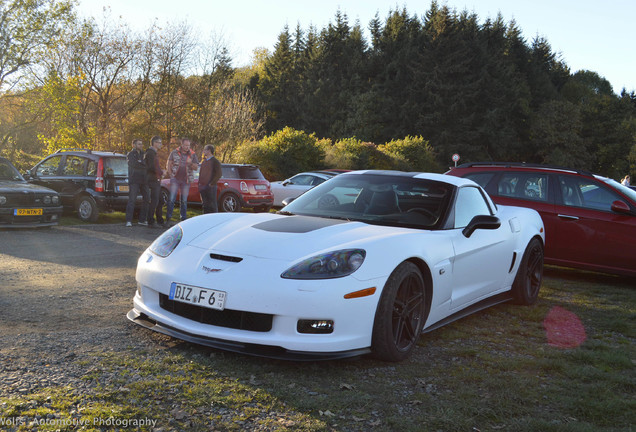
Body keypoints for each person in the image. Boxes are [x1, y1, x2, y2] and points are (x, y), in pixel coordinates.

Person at [165, 137, 199, 223]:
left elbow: (196, 168)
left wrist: (190, 163)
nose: (187, 147)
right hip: (175, 179)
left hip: (186, 180)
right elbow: (168, 163)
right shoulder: (174, 152)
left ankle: (183, 218)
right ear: (182, 144)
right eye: (186, 145)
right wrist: (170, 175)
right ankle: (168, 218)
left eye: (188, 145)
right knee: (171, 199)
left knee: (184, 200)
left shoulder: (192, 154)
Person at [125, 138, 149, 227]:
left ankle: (142, 219)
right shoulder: (130, 154)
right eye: (139, 144)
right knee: (132, 200)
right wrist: (142, 164)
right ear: (134, 145)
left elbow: (147, 164)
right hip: (134, 180)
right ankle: (128, 220)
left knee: (147, 199)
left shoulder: (143, 154)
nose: (141, 146)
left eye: (141, 144)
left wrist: (141, 163)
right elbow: (133, 164)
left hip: (144, 180)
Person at [145, 135, 164, 227]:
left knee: (161, 200)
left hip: (156, 179)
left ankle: (160, 220)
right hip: (152, 179)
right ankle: (150, 221)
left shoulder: (154, 153)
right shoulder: (150, 153)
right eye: (159, 142)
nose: (161, 144)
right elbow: (152, 167)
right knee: (155, 200)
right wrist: (161, 172)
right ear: (154, 143)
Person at [198, 144, 223, 213]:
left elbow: (219, 174)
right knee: (205, 205)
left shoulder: (215, 162)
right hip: (202, 187)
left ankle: (215, 221)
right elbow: (201, 174)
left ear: (209, 151)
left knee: (212, 205)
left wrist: (211, 184)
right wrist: (199, 184)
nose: (203, 151)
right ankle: (206, 220)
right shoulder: (204, 162)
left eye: (205, 150)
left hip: (211, 187)